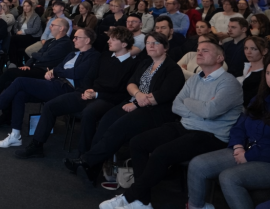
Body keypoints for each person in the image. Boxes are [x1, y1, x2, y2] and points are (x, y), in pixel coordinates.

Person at [100, 38, 243, 209]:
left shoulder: (229, 83)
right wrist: (199, 106)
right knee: (138, 142)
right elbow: (177, 105)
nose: (199, 52)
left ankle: (130, 196)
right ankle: (143, 202)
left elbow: (209, 112)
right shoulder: (195, 78)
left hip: (211, 135)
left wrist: (191, 103)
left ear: (220, 58)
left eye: (205, 50)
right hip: (185, 126)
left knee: (161, 153)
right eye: (198, 49)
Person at [65, 33, 185, 184]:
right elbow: (131, 83)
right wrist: (137, 95)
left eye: (156, 43)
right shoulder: (145, 63)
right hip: (132, 102)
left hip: (154, 111)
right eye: (148, 43)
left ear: (166, 47)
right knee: (105, 122)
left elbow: (163, 95)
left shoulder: (173, 69)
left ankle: (88, 162)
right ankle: (91, 166)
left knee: (118, 127)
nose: (151, 46)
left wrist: (137, 102)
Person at [0, 28, 99, 149]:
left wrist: (56, 72)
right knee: (20, 94)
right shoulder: (72, 54)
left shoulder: (93, 56)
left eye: (77, 37)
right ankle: (15, 135)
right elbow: (59, 67)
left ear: (87, 40)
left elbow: (76, 73)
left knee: (20, 81)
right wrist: (53, 71)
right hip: (56, 83)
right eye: (74, 37)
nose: (74, 39)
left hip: (67, 88)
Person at [15, 27, 137, 159]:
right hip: (88, 92)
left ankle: (83, 156)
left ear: (124, 44)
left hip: (107, 99)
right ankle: (37, 145)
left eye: (113, 39)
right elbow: (90, 76)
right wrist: (87, 90)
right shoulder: (105, 56)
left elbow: (121, 92)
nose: (108, 41)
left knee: (88, 113)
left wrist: (96, 94)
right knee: (50, 106)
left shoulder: (132, 64)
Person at [186, 60, 270, 209]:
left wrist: (248, 156)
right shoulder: (260, 98)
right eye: (269, 73)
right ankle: (196, 206)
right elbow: (239, 126)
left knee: (229, 178)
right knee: (198, 165)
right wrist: (238, 146)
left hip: (265, 159)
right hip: (245, 149)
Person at [7, 0, 42, 67]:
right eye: (24, 6)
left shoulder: (36, 17)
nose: (25, 8)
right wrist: (17, 31)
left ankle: (13, 62)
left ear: (31, 7)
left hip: (32, 37)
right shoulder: (20, 17)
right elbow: (15, 26)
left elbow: (35, 29)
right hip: (21, 37)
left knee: (13, 39)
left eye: (28, 6)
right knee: (14, 43)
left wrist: (23, 32)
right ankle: (16, 62)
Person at [237, 36, 268, 107]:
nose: (248, 52)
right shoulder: (245, 66)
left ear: (264, 51)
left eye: (254, 49)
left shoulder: (264, 74)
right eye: (246, 48)